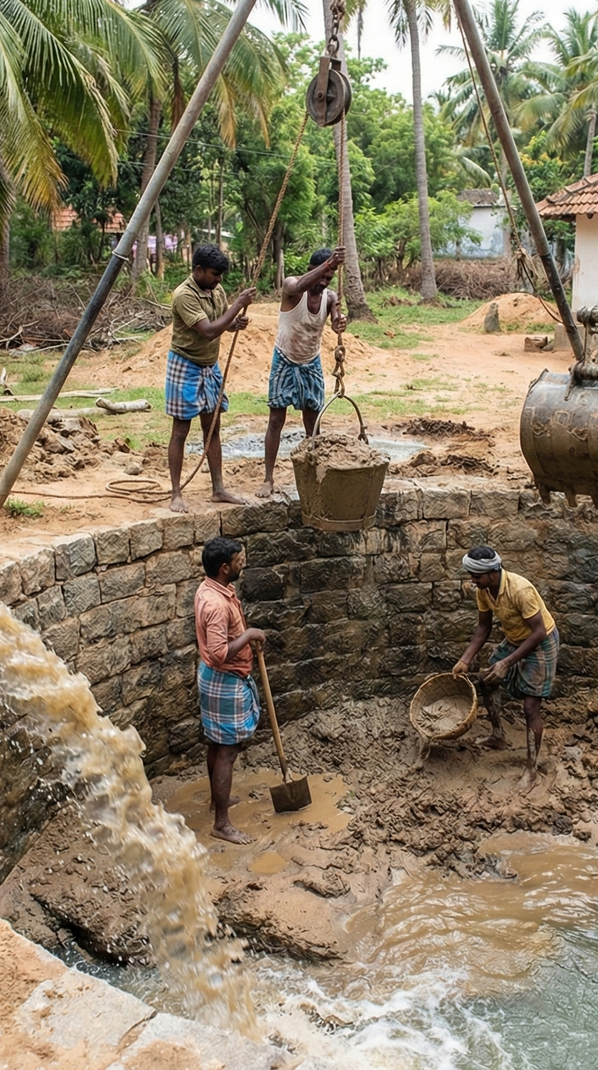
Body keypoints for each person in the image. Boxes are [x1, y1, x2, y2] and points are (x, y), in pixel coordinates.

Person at [452, 545, 560, 782]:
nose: (473, 580)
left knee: (531, 708)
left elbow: (539, 632)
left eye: (477, 576)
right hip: (515, 639)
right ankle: (498, 736)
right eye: (471, 575)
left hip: (540, 643)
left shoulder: (520, 590)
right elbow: (484, 627)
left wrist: (507, 663)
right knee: (486, 681)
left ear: (493, 572)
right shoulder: (484, 590)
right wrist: (465, 660)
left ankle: (531, 770)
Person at [167, 244, 255, 513]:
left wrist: (233, 324)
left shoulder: (216, 290)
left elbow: (221, 323)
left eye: (221, 276)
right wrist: (237, 305)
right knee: (181, 430)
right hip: (185, 364)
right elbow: (207, 330)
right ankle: (176, 494)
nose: (219, 280)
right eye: (215, 274)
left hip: (209, 366)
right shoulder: (183, 295)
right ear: (198, 270)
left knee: (212, 428)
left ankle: (218, 489)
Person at [257, 246, 348, 499]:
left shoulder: (329, 297)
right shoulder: (292, 287)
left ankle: (313, 473)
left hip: (311, 361)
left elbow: (335, 319)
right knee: (276, 420)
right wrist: (328, 264)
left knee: (313, 422)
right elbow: (297, 287)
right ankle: (268, 478)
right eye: (320, 276)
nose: (323, 282)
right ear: (310, 270)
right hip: (284, 358)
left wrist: (340, 322)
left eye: (328, 279)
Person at [194, 535, 267, 844]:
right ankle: (221, 824)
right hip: (225, 680)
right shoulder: (215, 605)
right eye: (239, 561)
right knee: (227, 751)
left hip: (214, 678)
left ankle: (216, 801)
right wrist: (249, 633)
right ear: (224, 568)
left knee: (216, 742)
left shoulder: (212, 587)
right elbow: (220, 652)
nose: (243, 564)